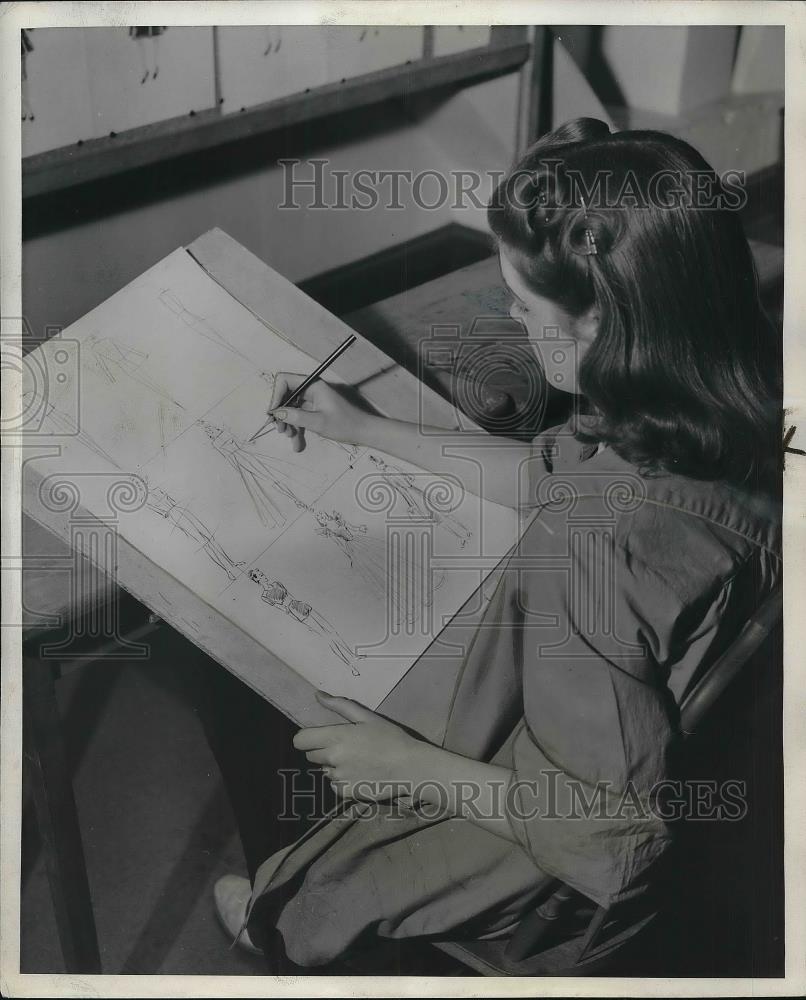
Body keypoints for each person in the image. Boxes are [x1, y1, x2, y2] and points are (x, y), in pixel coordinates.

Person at [211, 118, 782, 970]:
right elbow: (558, 478)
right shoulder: (725, 400)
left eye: (523, 300)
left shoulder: (592, 551)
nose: (511, 315)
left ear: (599, 324)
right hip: (635, 716)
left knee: (264, 697)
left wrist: (404, 763)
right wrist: (364, 428)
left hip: (550, 832)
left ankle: (284, 921)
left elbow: (616, 836)